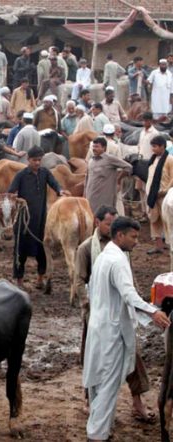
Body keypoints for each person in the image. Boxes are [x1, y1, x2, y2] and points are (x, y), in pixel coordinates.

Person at [83, 216, 170, 441]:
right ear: (119, 235)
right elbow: (128, 295)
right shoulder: (117, 260)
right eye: (133, 237)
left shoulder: (103, 257)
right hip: (111, 334)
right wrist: (153, 311)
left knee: (98, 383)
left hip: (98, 328)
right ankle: (97, 435)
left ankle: (99, 429)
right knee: (108, 386)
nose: (137, 242)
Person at [75, 207, 156, 425]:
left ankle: (136, 401)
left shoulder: (120, 251)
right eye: (107, 223)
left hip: (117, 316)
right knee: (95, 362)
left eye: (113, 223)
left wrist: (139, 304)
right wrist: (89, 307)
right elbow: (80, 282)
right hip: (97, 316)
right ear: (97, 222)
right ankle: (93, 407)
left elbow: (128, 286)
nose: (110, 227)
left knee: (132, 357)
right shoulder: (87, 249)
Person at [9, 147, 66, 289]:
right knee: (20, 250)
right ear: (28, 160)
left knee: (42, 249)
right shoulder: (21, 175)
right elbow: (11, 192)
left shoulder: (45, 172)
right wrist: (16, 198)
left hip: (41, 219)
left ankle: (40, 278)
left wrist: (60, 191)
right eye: (34, 160)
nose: (37, 163)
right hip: (24, 220)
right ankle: (19, 281)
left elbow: (54, 183)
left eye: (39, 160)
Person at [84, 137, 132, 213]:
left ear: (104, 148)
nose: (94, 149)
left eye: (97, 147)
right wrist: (85, 195)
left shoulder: (109, 159)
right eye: (93, 146)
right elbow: (87, 179)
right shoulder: (91, 161)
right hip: (90, 197)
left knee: (105, 219)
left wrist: (118, 179)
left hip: (105, 198)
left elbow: (128, 167)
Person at [145, 135, 173, 254]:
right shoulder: (153, 159)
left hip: (165, 196)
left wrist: (165, 190)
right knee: (154, 220)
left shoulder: (170, 159)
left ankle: (170, 244)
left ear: (162, 146)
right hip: (153, 195)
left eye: (155, 146)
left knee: (168, 220)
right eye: (152, 146)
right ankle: (158, 245)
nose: (153, 149)